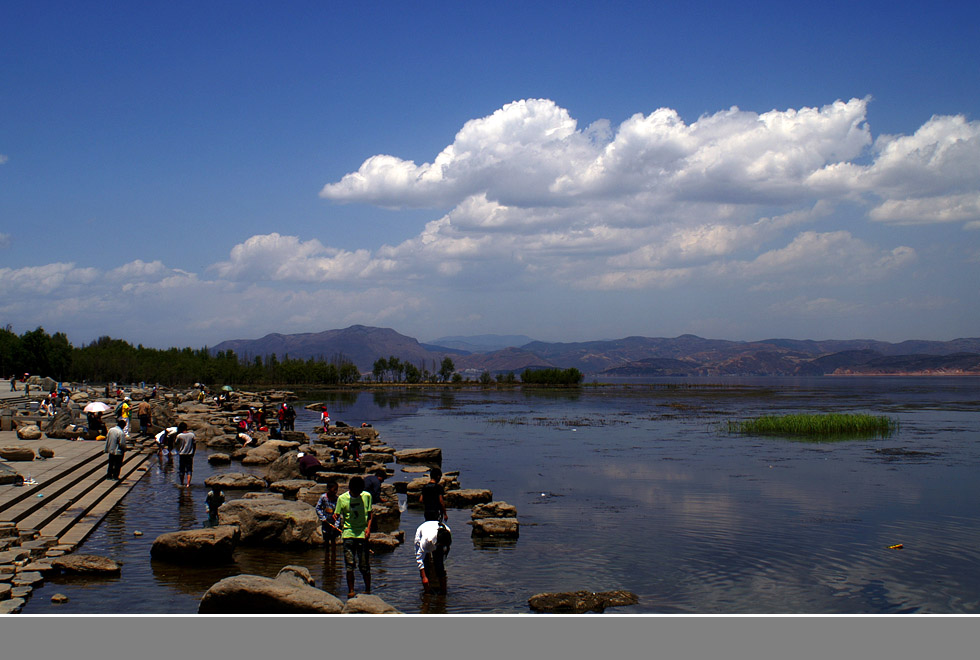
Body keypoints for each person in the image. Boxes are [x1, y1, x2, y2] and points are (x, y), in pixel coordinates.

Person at [334, 475, 373, 598]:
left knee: (364, 565)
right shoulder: (342, 498)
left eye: (359, 492)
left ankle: (368, 590)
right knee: (350, 565)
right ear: (350, 489)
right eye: (356, 492)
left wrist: (368, 528)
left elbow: (370, 514)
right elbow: (337, 513)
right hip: (348, 535)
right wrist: (335, 516)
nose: (358, 494)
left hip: (362, 535)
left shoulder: (367, 496)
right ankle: (351, 590)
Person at [414, 519, 452, 594]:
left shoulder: (447, 532)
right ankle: (427, 592)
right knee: (426, 567)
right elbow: (419, 556)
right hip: (423, 533)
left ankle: (443, 592)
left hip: (436, 534)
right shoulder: (426, 540)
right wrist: (424, 576)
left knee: (439, 565)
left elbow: (445, 547)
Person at [315, 480, 341, 556]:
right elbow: (318, 508)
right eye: (334, 489)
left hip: (334, 522)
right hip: (326, 522)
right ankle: (326, 556)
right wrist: (323, 518)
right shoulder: (323, 497)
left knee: (333, 539)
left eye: (336, 489)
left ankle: (333, 557)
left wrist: (336, 525)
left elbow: (338, 512)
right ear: (329, 489)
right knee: (326, 539)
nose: (335, 491)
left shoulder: (337, 499)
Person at [175, 421, 196, 487]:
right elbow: (194, 444)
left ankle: (182, 483)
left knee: (182, 469)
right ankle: (188, 484)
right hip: (190, 454)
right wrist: (193, 452)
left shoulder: (179, 436)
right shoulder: (192, 435)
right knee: (189, 470)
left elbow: (176, 443)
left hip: (182, 454)